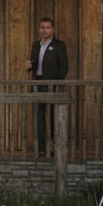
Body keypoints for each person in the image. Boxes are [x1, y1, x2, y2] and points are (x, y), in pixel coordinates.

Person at [25, 17, 69, 156]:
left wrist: (57, 84)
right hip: (37, 84)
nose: (44, 30)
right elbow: (34, 62)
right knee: (38, 118)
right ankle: (42, 148)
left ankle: (56, 148)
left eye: (47, 27)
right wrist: (29, 66)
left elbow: (64, 67)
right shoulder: (36, 45)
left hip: (51, 85)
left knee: (52, 117)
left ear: (53, 29)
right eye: (42, 27)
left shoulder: (59, 45)